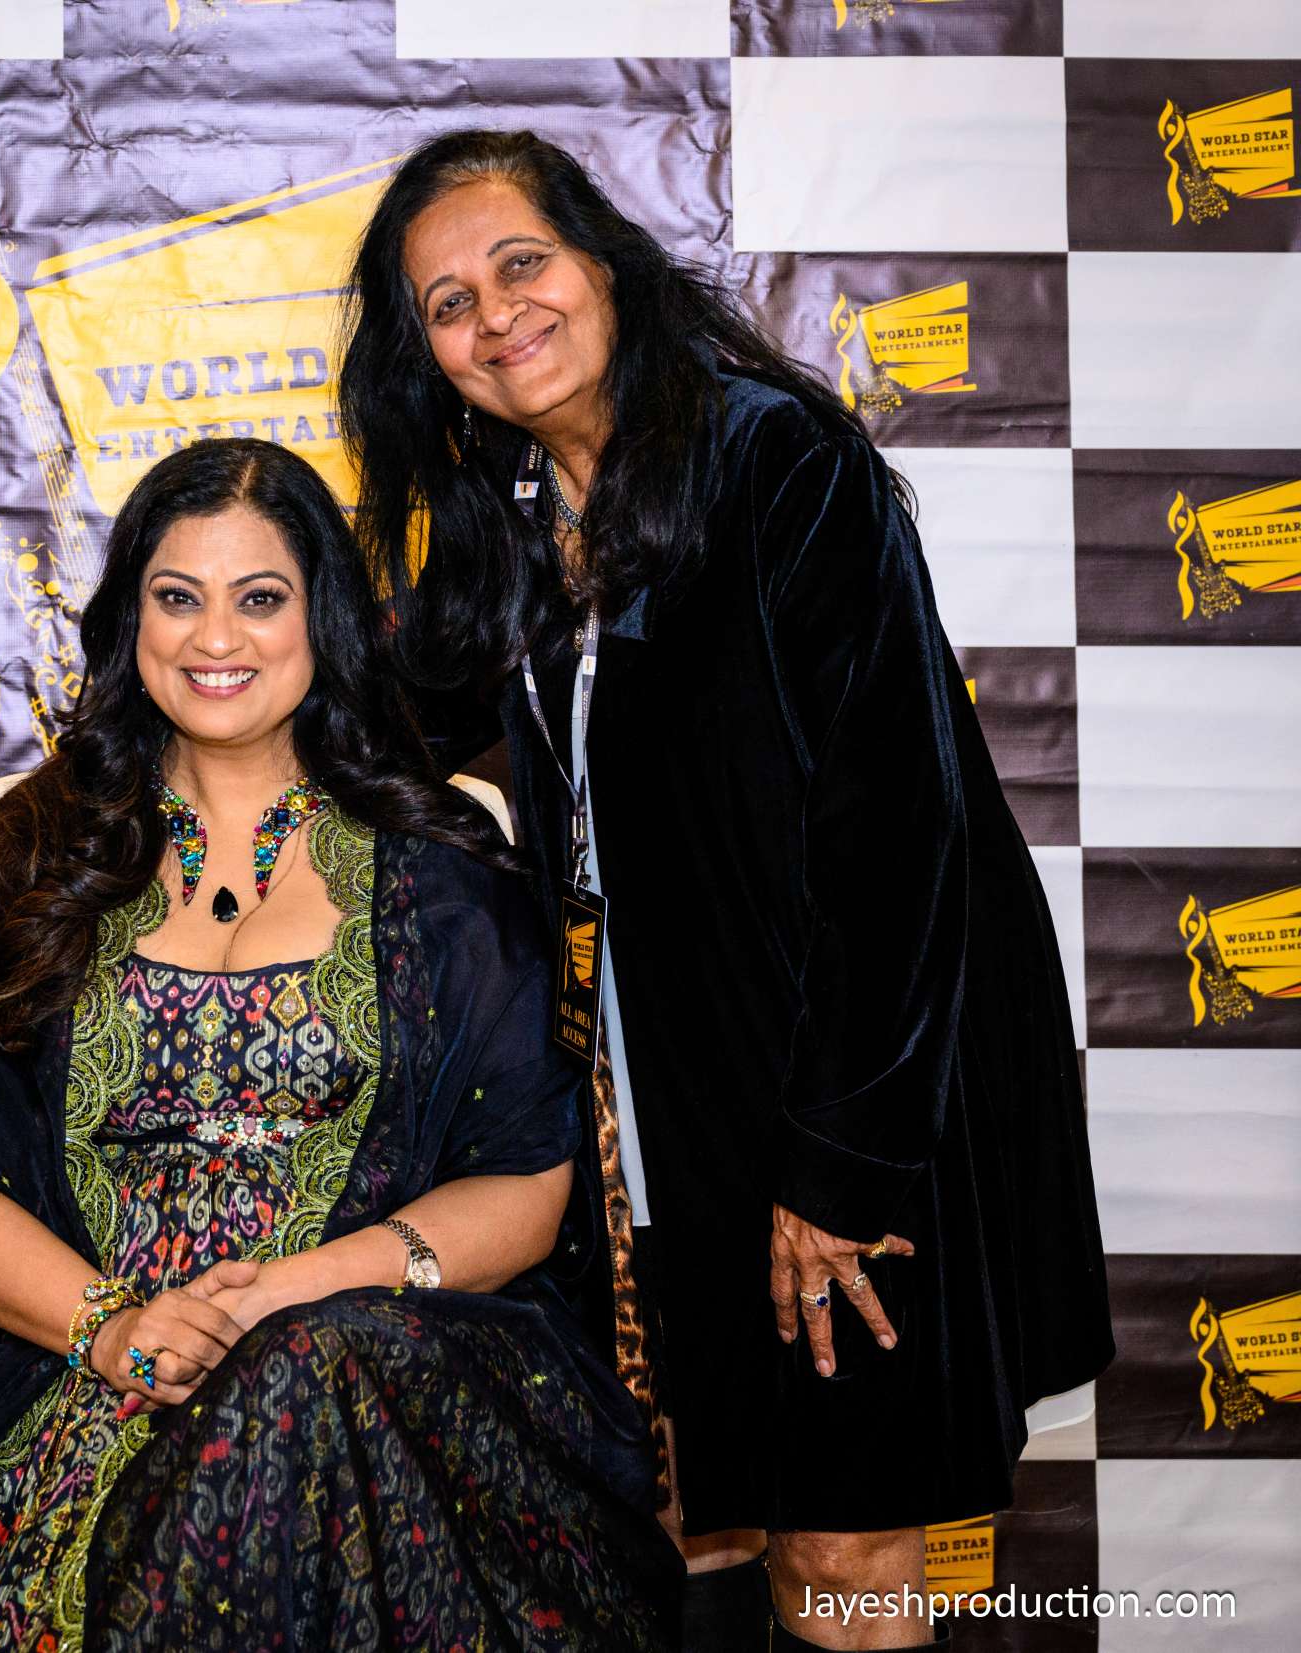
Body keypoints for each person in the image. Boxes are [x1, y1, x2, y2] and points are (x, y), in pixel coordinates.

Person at [337, 130, 1115, 1650]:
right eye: (448, 305)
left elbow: (899, 841)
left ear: (603, 264)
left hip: (849, 1102)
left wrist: (839, 1171)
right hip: (665, 1116)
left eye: (520, 264)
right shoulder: (513, 523)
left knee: (846, 1543)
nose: (496, 317)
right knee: (718, 1530)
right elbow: (388, 729)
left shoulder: (775, 465)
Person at [0, 437, 681, 1653]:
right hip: (80, 1366)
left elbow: (522, 1183)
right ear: (130, 620)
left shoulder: (438, 873)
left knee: (303, 1383)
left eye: (258, 599)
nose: (214, 638)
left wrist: (292, 1296)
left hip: (364, 1375)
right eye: (176, 597)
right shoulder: (42, 854)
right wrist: (115, 1329)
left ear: (323, 620)